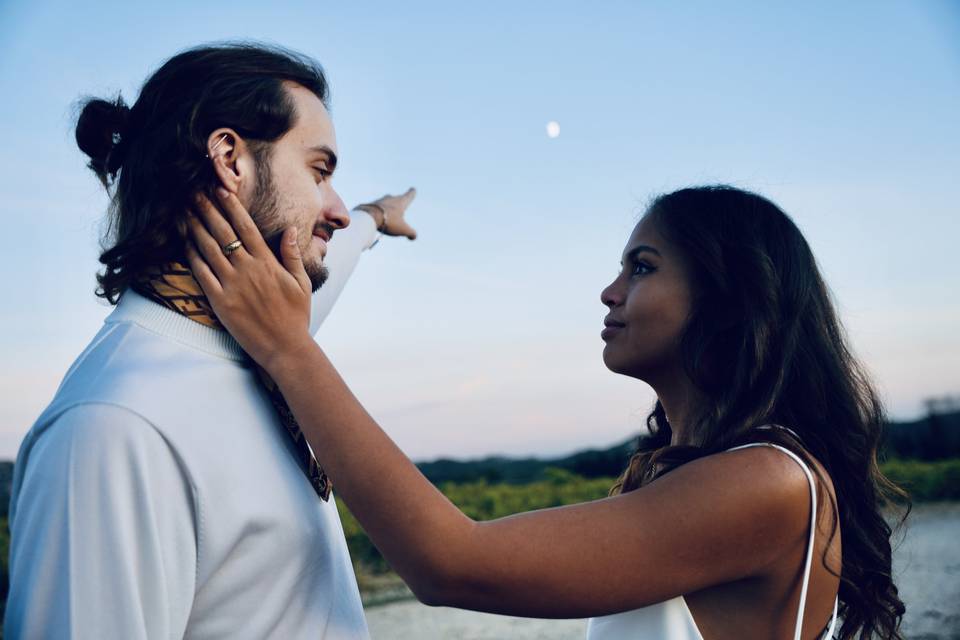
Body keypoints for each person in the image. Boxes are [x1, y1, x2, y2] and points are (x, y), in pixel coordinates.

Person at [183, 184, 909, 639]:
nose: (610, 291)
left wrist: (288, 350)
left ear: (730, 294)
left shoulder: (767, 484)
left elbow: (450, 564)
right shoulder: (697, 474)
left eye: (643, 267)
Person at [5, 43, 417, 639]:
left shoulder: (262, 338)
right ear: (230, 159)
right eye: (319, 171)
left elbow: (341, 251)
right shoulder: (116, 427)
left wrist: (378, 215)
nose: (336, 211)